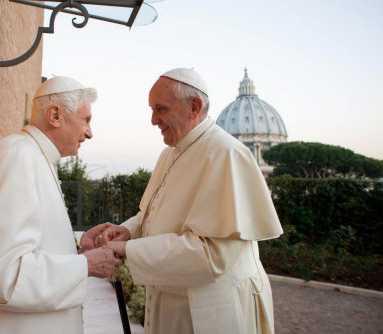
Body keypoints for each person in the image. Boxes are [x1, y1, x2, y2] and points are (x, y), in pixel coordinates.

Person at [84, 68, 283, 334]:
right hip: (172, 300)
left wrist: (128, 250)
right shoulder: (171, 152)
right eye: (152, 109)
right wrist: (130, 231)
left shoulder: (226, 154)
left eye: (161, 109)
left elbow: (212, 254)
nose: (153, 119)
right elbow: (153, 212)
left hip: (211, 308)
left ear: (194, 106)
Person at [0, 76, 123, 334]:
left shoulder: (34, 157)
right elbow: (3, 277)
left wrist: (76, 251)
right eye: (86, 120)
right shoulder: (18, 157)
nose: (90, 132)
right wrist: (86, 265)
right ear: (55, 115)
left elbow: (28, 250)